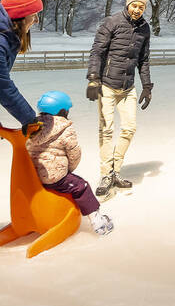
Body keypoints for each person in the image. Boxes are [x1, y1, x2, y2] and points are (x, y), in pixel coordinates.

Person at [86, 0, 153, 197]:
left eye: (141, 6)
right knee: (106, 130)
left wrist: (147, 86)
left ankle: (115, 171)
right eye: (134, 5)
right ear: (128, 4)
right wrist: (93, 79)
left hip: (128, 88)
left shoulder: (144, 29)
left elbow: (143, 60)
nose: (137, 9)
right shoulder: (112, 22)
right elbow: (97, 51)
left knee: (129, 128)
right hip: (106, 86)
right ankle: (107, 174)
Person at [25, 90, 113, 235]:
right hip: (54, 178)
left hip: (32, 177)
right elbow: (74, 154)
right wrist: (68, 171)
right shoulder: (66, 128)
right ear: (62, 111)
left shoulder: (32, 126)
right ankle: (98, 223)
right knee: (81, 186)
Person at [0, 0, 43, 134]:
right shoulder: (1, 41)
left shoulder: (7, 36)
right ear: (20, 14)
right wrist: (28, 118)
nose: (37, 20)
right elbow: (2, 85)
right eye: (34, 14)